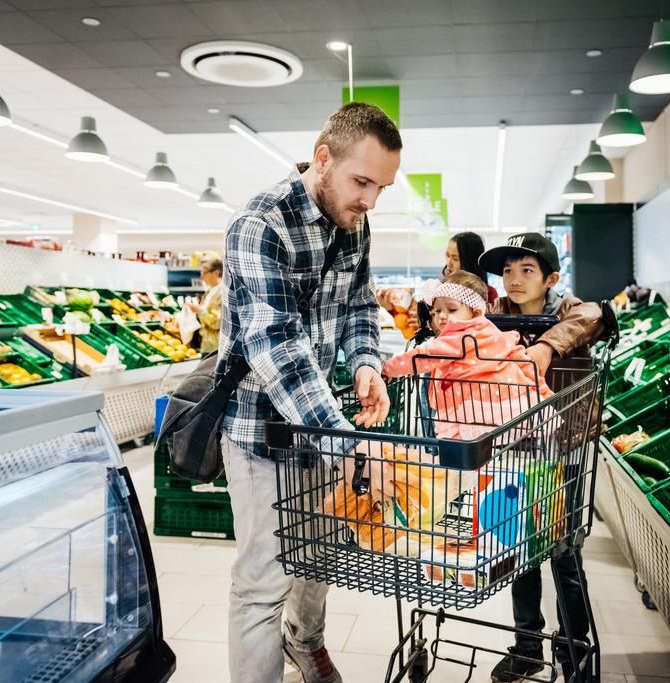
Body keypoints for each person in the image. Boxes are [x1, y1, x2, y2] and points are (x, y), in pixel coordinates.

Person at [218, 102, 402, 683]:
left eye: (381, 187)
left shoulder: (354, 224)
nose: (370, 200)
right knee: (262, 583)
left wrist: (366, 362)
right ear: (323, 160)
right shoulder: (259, 226)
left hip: (320, 427)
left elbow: (357, 307)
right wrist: (347, 445)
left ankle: (305, 642)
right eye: (362, 181)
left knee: (318, 556)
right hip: (259, 431)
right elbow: (277, 348)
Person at [478, 232, 604, 683]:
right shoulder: (496, 321)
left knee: (564, 557)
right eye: (508, 270)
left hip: (564, 455)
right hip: (516, 452)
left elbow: (596, 314)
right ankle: (527, 645)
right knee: (520, 552)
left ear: (550, 277)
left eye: (527, 270)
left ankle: (575, 653)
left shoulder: (571, 311)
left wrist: (547, 346)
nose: (514, 278)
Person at [381, 270, 552, 440]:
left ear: (476, 313)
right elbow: (521, 358)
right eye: (437, 311)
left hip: (470, 410)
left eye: (452, 309)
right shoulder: (490, 330)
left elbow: (422, 356)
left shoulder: (459, 338)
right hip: (508, 406)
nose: (442, 316)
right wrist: (542, 391)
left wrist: (387, 369)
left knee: (458, 458)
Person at [187, 257, 223, 353]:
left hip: (216, 347)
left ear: (216, 273)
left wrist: (199, 311)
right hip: (207, 345)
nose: (201, 277)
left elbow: (218, 322)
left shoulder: (222, 293)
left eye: (204, 273)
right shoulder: (209, 292)